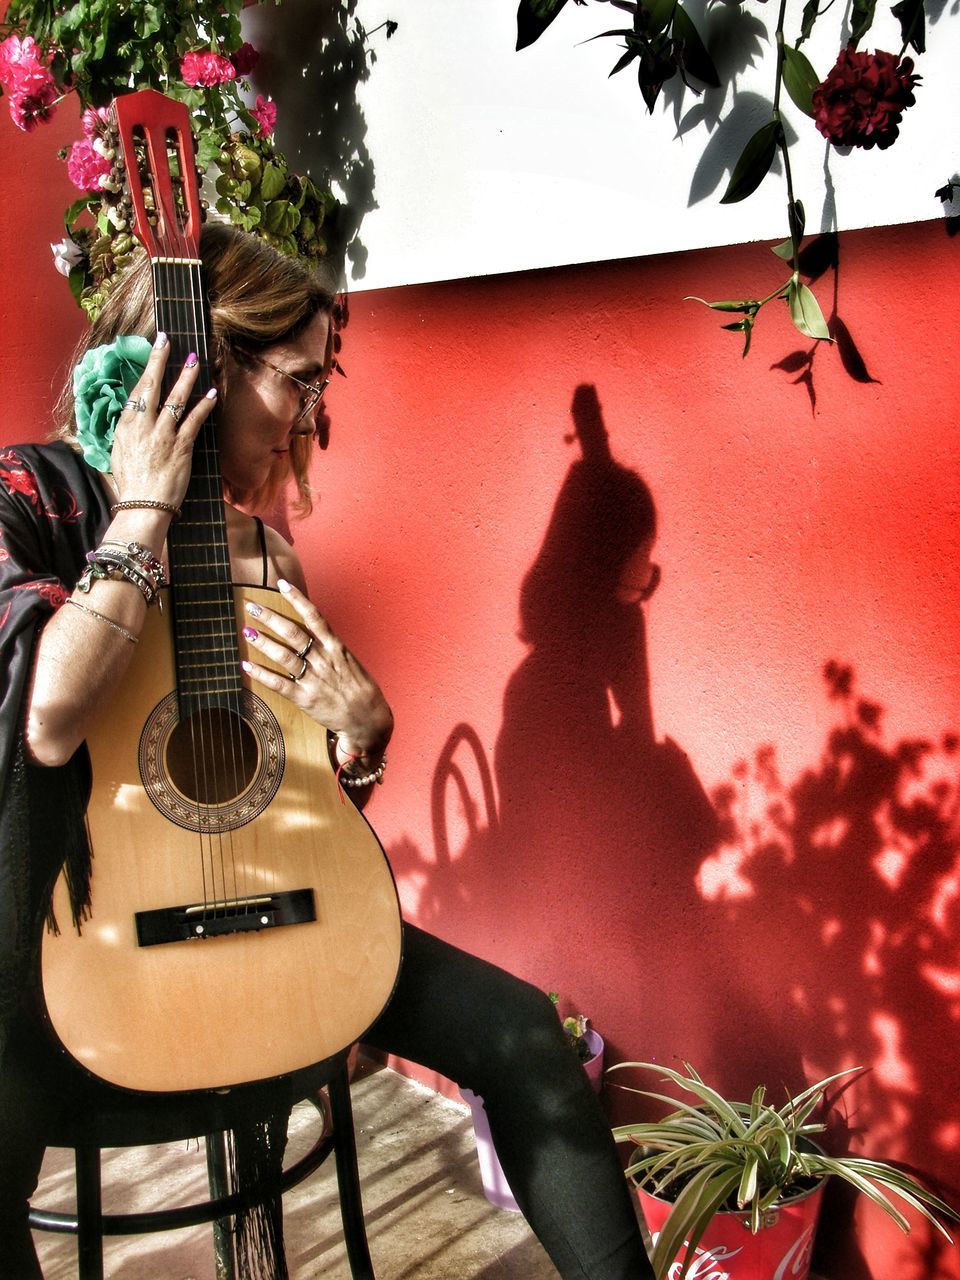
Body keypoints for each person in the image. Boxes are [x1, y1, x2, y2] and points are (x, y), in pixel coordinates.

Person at [0, 223, 653, 1279]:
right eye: (299, 381)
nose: (314, 415)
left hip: (258, 922)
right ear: (206, 360)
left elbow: (282, 792)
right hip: (60, 956)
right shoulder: (23, 498)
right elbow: (49, 714)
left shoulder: (259, 550)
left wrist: (356, 740)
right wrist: (148, 507)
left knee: (525, 1029)